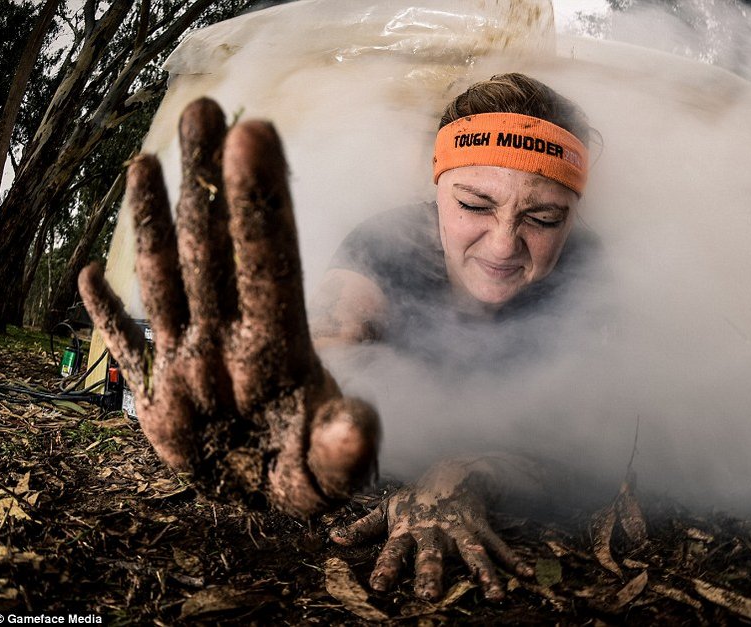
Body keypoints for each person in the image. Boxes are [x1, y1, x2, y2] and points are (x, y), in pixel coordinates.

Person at [79, 73, 600, 604]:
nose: (503, 243)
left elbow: (605, 441)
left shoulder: (593, 275)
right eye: (474, 205)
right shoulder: (387, 243)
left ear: (572, 216)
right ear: (437, 188)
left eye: (543, 217)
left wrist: (470, 472)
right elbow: (333, 344)